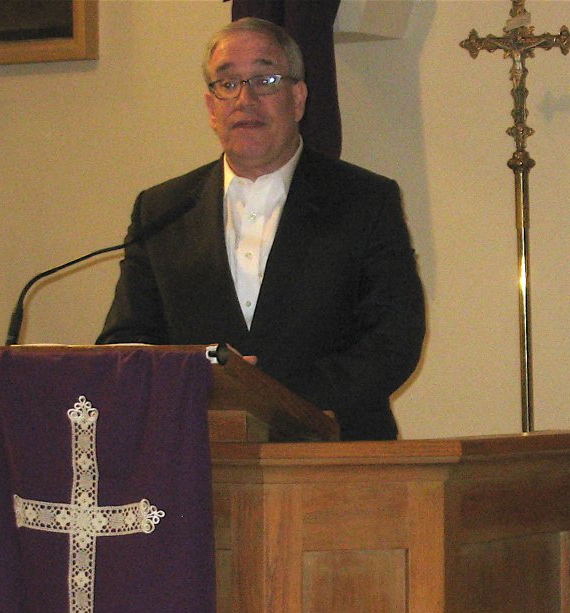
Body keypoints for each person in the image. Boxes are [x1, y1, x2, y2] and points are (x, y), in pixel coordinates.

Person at [98, 17, 425, 441]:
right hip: (199, 457)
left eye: (266, 79)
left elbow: (392, 340)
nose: (244, 99)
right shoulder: (162, 208)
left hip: (336, 451)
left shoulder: (364, 200)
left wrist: (271, 398)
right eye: (227, 83)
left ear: (299, 98)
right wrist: (201, 381)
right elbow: (125, 341)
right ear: (211, 107)